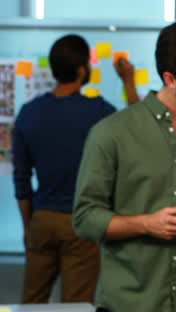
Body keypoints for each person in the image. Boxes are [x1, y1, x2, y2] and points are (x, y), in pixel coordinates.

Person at [73, 19, 176, 312]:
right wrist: (146, 224)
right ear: (170, 79)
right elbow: (85, 218)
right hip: (127, 303)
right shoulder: (111, 133)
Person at [11, 34, 138, 304]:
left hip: (41, 219)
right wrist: (128, 81)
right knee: (77, 304)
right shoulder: (98, 112)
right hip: (82, 222)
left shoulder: (29, 112)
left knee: (31, 301)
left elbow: (21, 179)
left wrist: (27, 227)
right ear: (82, 69)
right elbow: (137, 127)